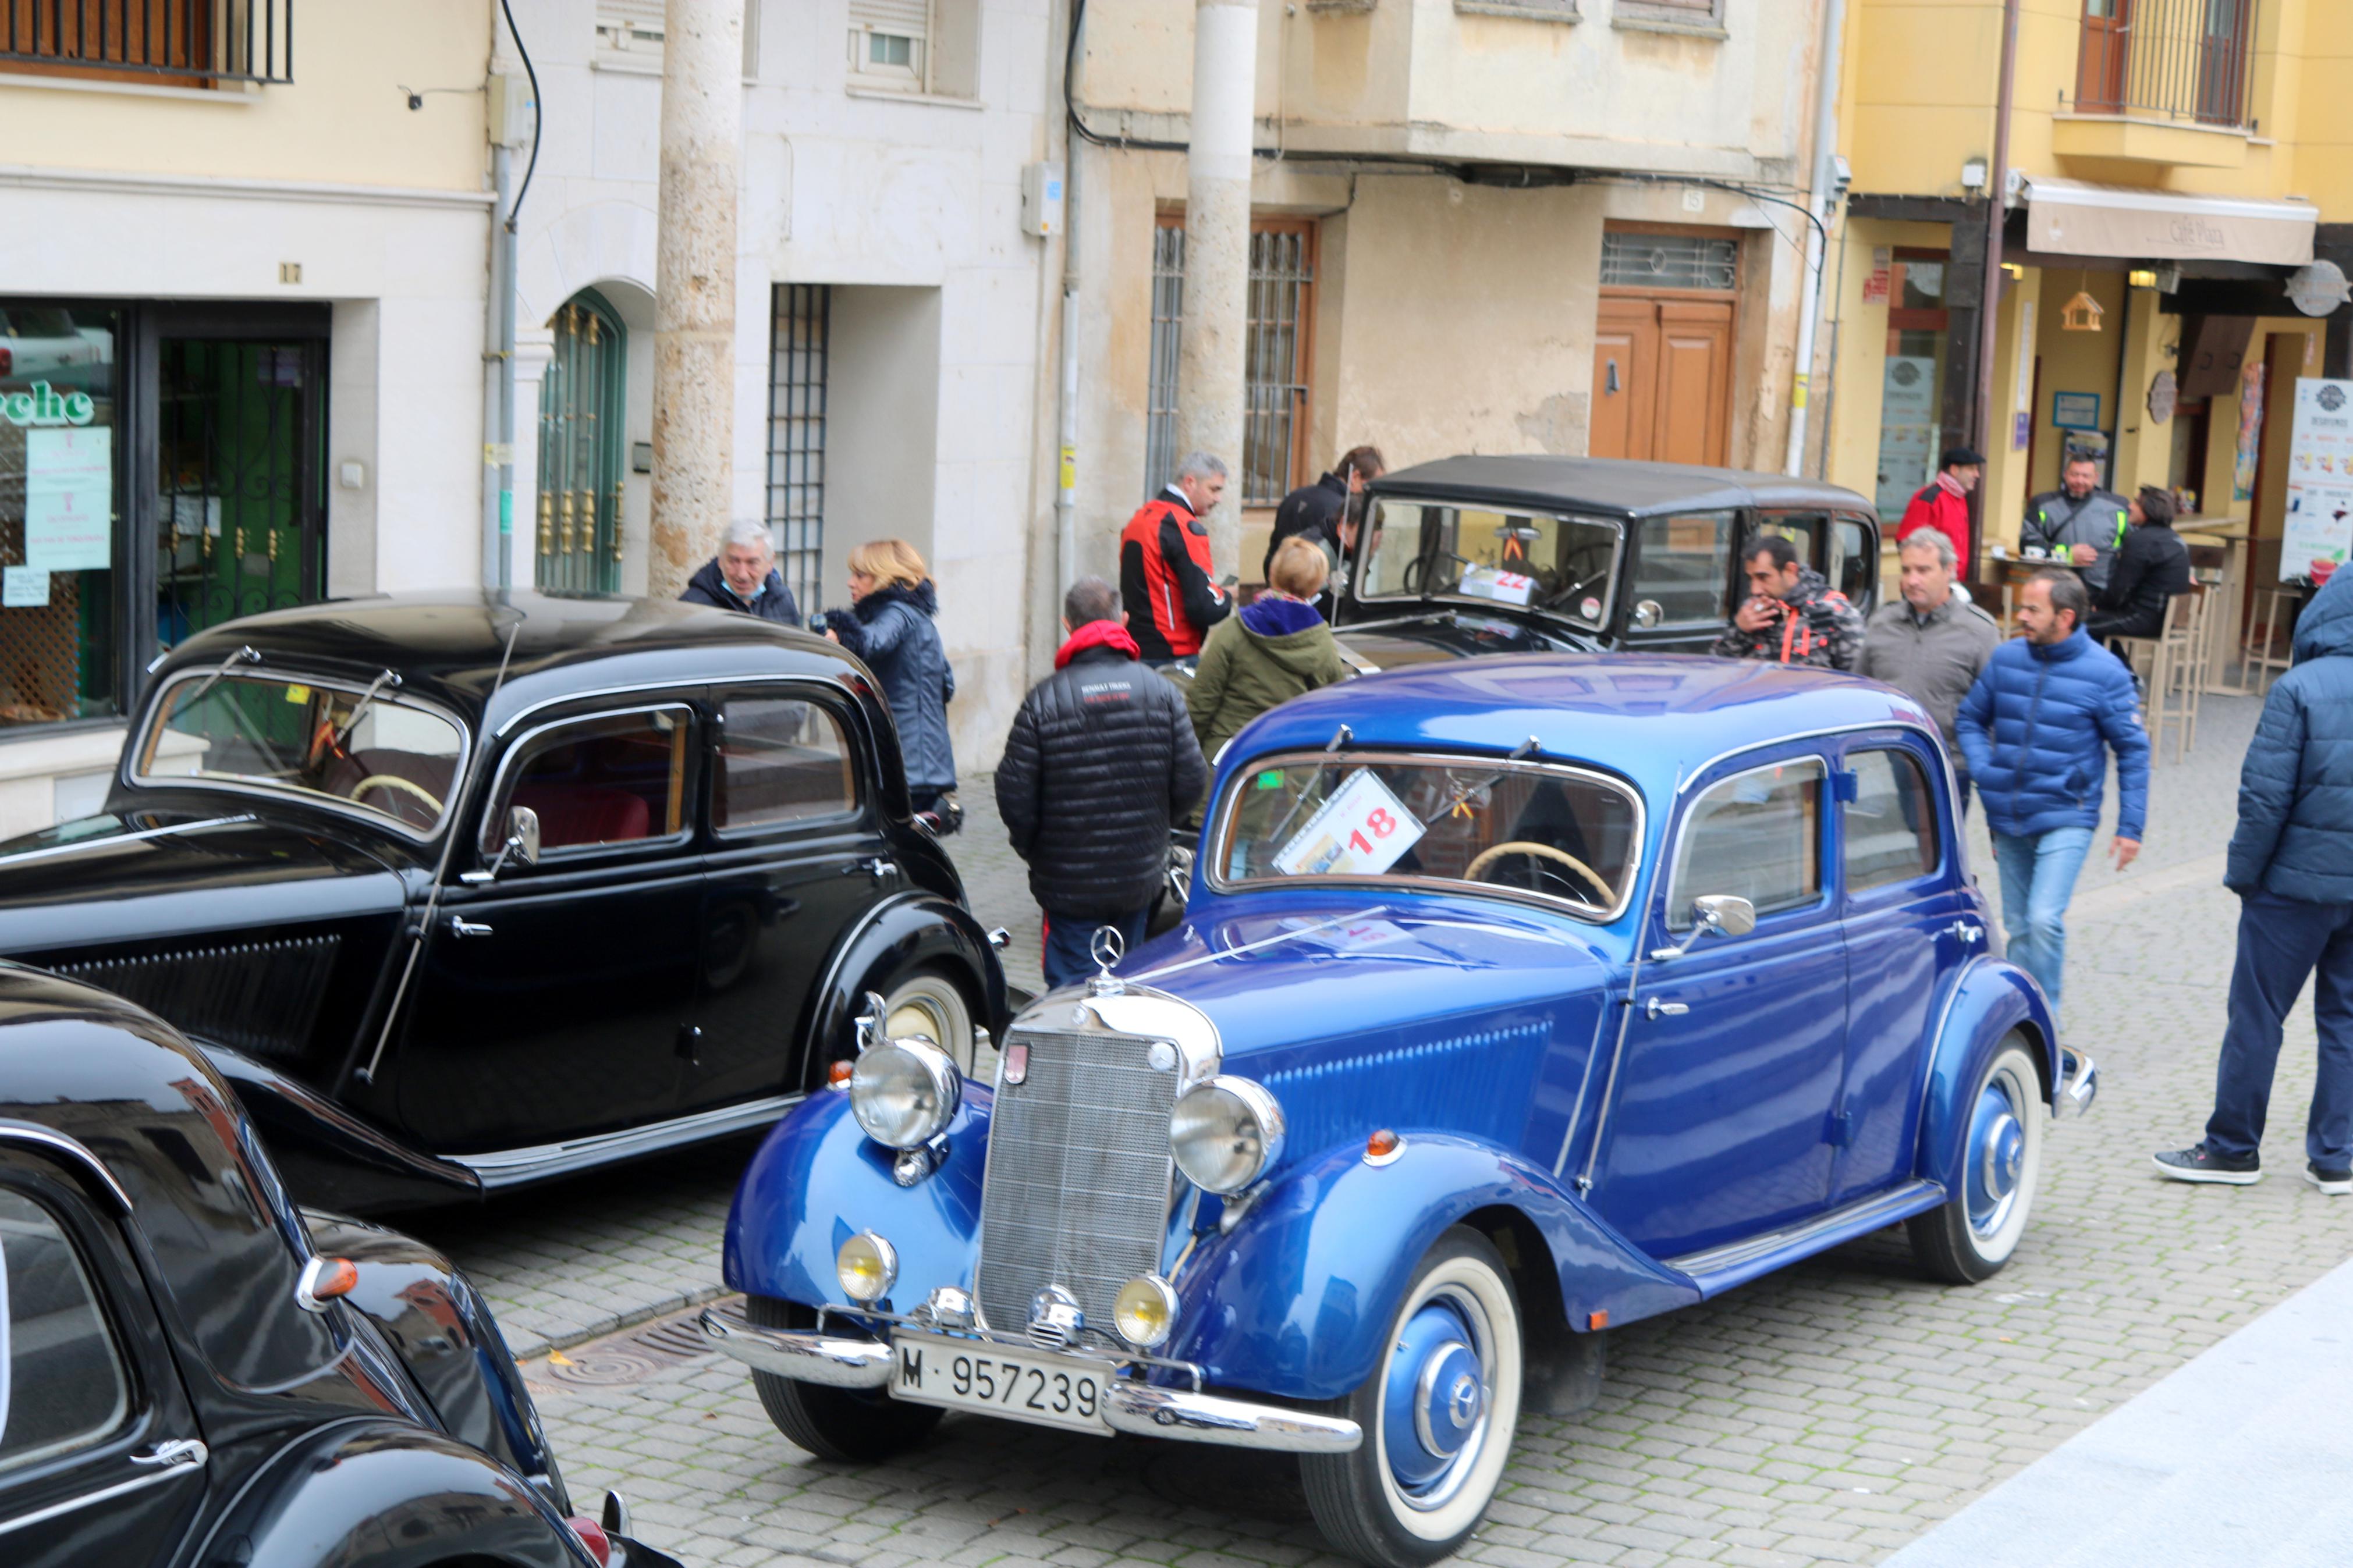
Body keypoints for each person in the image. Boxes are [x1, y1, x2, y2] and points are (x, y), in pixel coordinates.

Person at [2153, 571, 2353, 1194]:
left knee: (2256, 1016)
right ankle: (2336, 1156)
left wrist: (2242, 876)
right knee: (2345, 1021)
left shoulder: (2296, 688)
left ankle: (2232, 1149)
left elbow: (2263, 800)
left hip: (2290, 891)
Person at [1955, 569, 2150, 1022]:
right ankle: (2021, 1020)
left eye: (2031, 609)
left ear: (2064, 616)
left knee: (2043, 918)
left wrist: (2130, 828)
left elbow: (2133, 750)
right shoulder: (2006, 660)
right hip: (2007, 814)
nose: (2019, 615)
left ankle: (2049, 1022)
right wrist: (1987, 771)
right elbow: (1968, 719)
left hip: (2068, 813)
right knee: (2020, 927)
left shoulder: (2105, 674)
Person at [996, 576, 1208, 987]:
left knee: (1072, 995)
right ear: (1123, 620)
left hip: (1067, 881)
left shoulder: (1044, 699)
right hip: (1138, 875)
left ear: (1066, 623)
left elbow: (1014, 796)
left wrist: (1037, 851)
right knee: (1127, 981)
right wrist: (1155, 831)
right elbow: (1192, 779)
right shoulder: (1162, 692)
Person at [1857, 529, 2001, 808]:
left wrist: (1989, 774)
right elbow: (1860, 691)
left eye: (1924, 570)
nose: (1912, 581)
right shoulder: (1882, 624)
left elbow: (1997, 707)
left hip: (1947, 763)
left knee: (1933, 849)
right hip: (1886, 759)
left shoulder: (1979, 631)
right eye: (1907, 570)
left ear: (1949, 570)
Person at [820, 540, 958, 832]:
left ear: (884, 577)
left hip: (908, 768)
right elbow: (946, 684)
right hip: (919, 764)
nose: (850, 582)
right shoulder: (918, 619)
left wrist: (839, 632)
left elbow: (871, 641)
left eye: (860, 575)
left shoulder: (898, 612)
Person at [1188, 537, 1352, 766]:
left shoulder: (1236, 629)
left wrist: (1187, 760)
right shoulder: (1320, 641)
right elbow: (1331, 709)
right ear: (1316, 587)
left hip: (1228, 758)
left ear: (1272, 575)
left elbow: (1201, 702)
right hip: (1286, 762)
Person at [1120, 451, 1234, 667]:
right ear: (1190, 482)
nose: (1218, 498)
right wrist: (1227, 596)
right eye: (1214, 489)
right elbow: (1203, 608)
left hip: (1137, 649)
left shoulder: (1141, 516)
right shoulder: (1185, 527)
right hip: (1173, 654)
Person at [1710, 534, 1864, 671]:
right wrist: (1740, 631)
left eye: (1763, 577)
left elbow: (1859, 679)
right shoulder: (1754, 610)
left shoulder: (1835, 612)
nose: (1755, 590)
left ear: (1791, 571)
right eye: (1751, 579)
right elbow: (1717, 668)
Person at [1265, 444, 1385, 584]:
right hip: (1311, 591)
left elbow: (1273, 553)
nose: (1372, 493)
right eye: (1373, 485)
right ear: (1356, 477)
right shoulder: (1343, 509)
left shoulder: (1294, 496)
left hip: (1278, 585)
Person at [2085, 486, 2191, 643]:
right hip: (2168, 619)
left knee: (2074, 625)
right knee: (2096, 622)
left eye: (2136, 502)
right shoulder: (2175, 539)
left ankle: (2116, 667)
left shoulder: (2142, 541)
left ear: (2149, 509)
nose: (2130, 507)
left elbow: (2120, 589)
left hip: (2143, 619)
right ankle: (2121, 667)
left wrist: (2098, 606)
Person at [2022, 453, 2130, 596]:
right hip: (2056, 588)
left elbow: (2133, 547)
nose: (2080, 481)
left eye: (2086, 476)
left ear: (2096, 478)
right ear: (2065, 475)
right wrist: (2067, 553)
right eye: (2075, 475)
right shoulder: (2043, 504)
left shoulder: (2118, 506)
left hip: (2102, 591)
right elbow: (2027, 543)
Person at [679, 519, 802, 624]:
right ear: (720, 561)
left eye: (752, 563)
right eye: (733, 561)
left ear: (770, 563)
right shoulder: (693, 607)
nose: (742, 574)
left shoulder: (782, 599)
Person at [1897, 445, 1984, 567]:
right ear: (1954, 470)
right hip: (1930, 582)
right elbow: (1907, 543)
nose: (1977, 475)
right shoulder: (1929, 498)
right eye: (1971, 469)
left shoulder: (1960, 498)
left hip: (1953, 580)